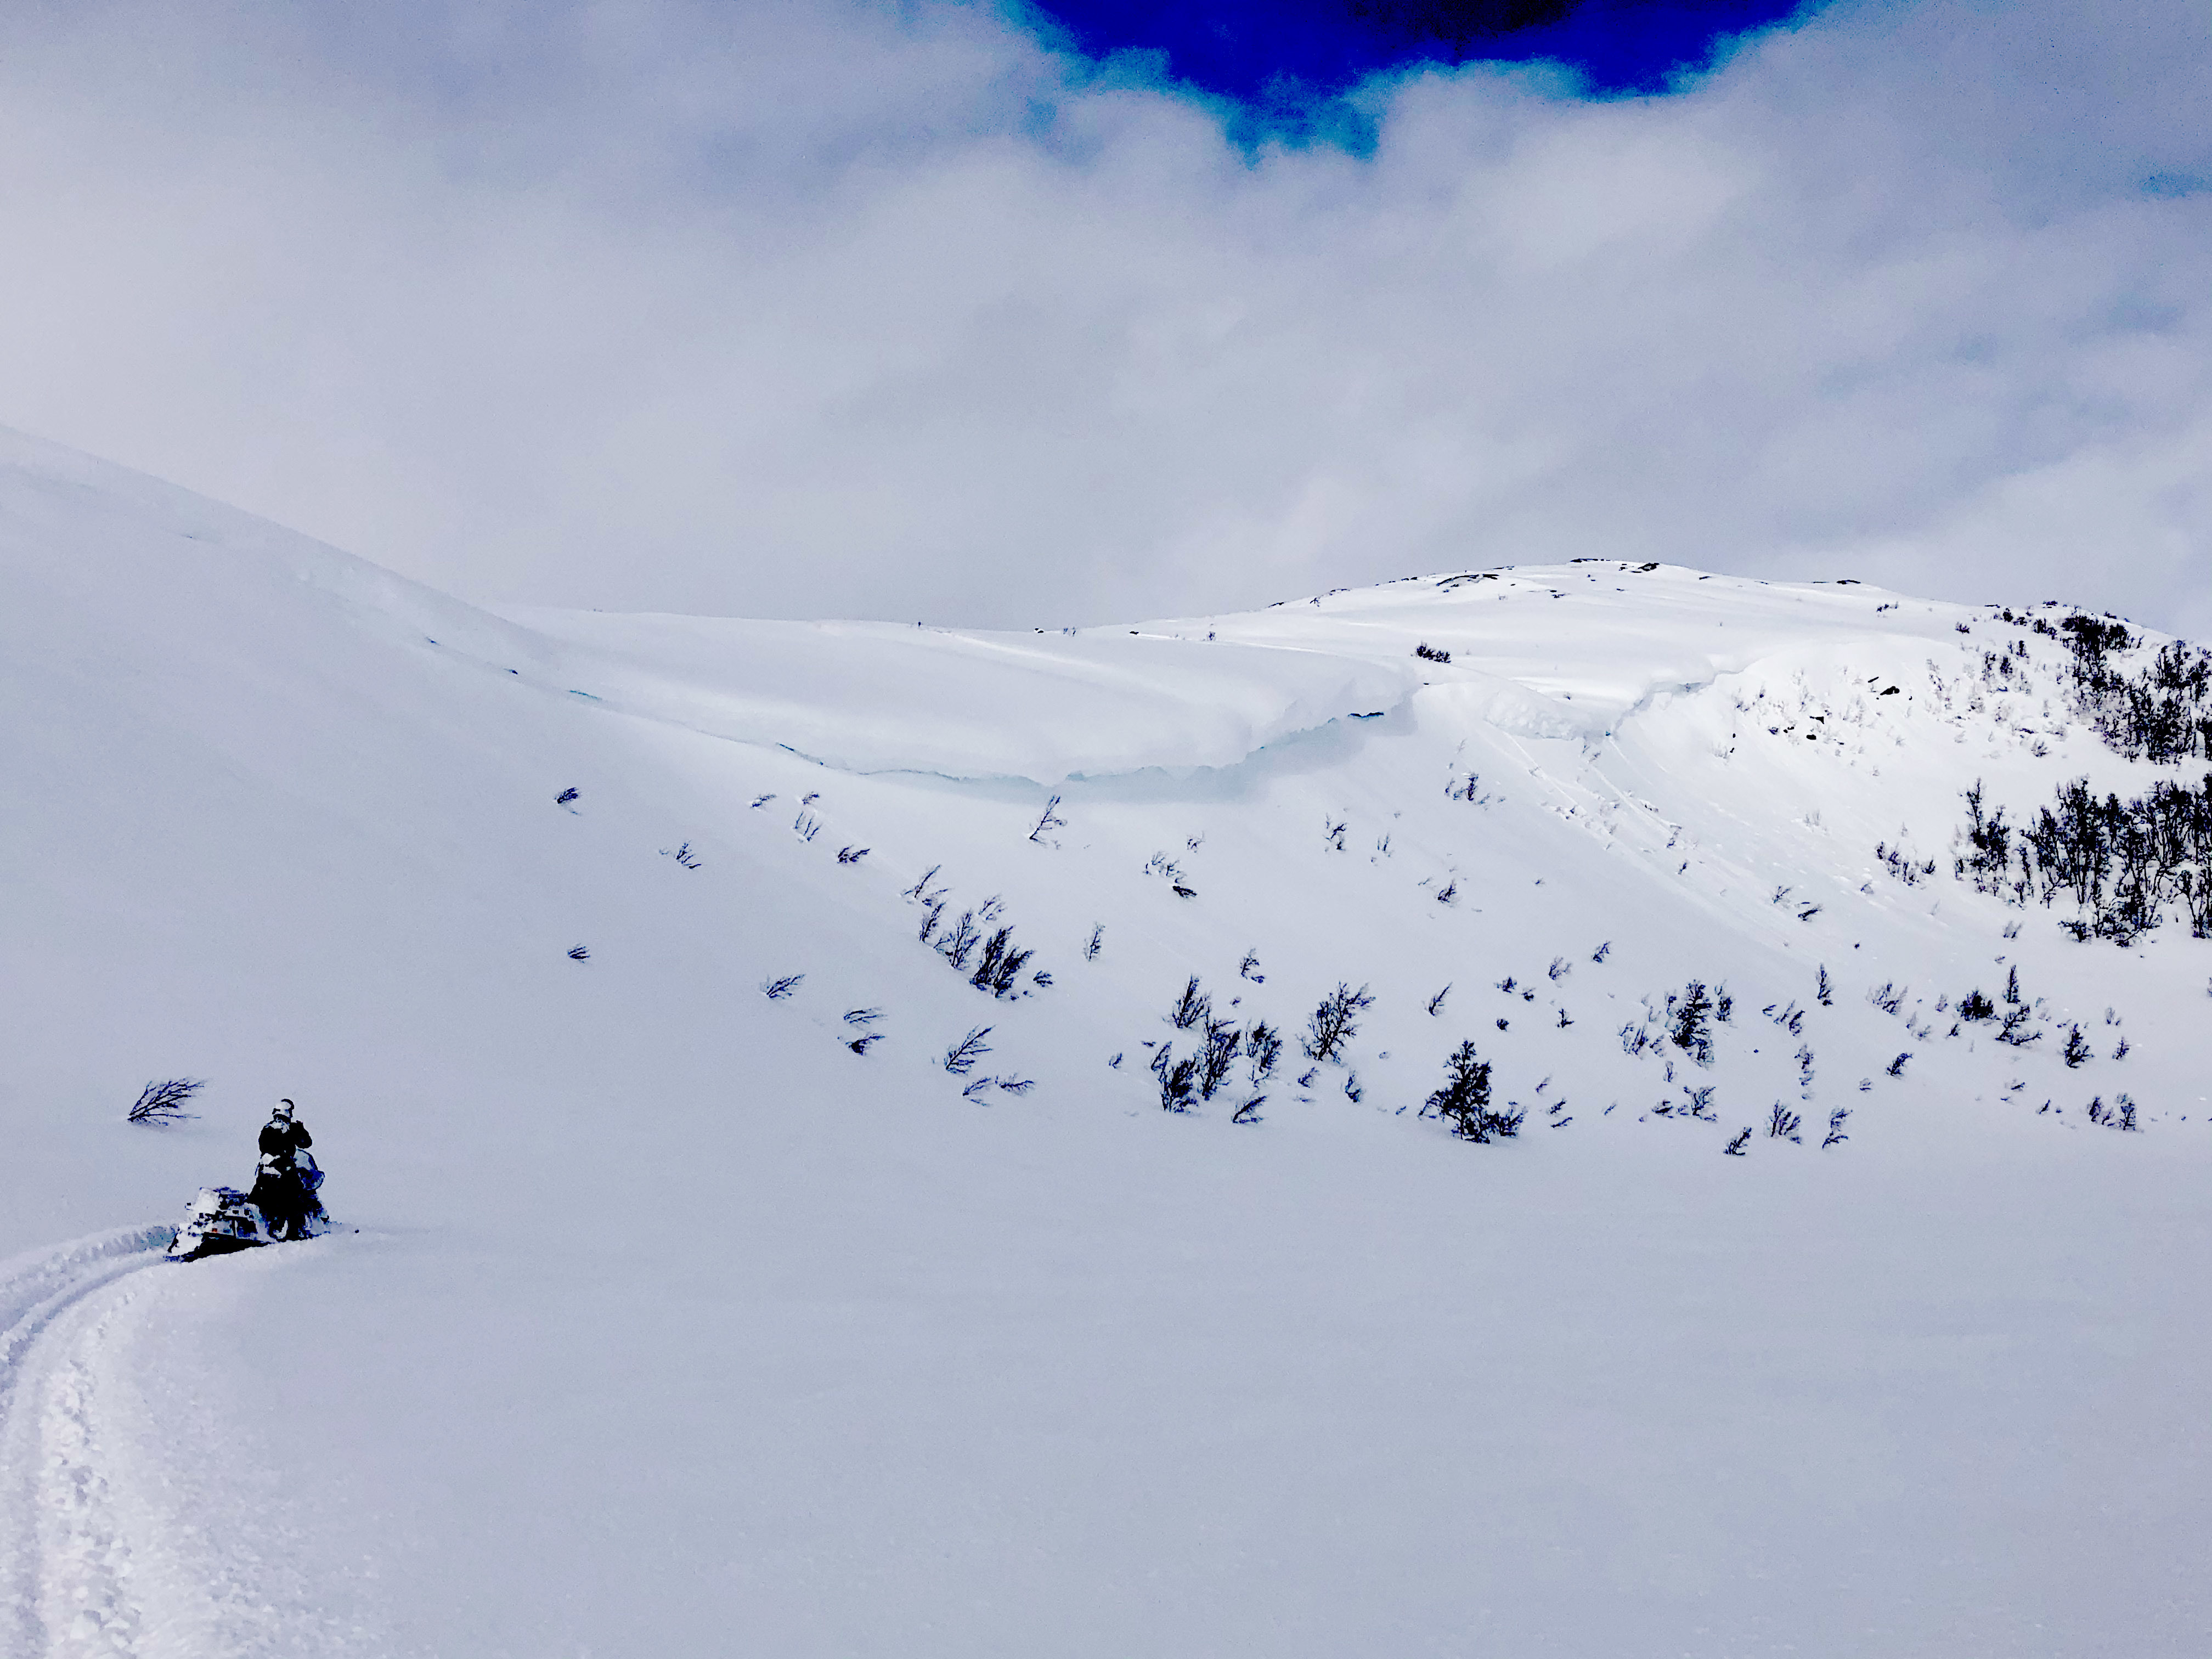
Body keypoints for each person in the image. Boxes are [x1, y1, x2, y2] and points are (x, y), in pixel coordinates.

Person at [250, 1098, 326, 1240]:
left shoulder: (267, 1128)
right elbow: (306, 1143)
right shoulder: (291, 1128)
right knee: (296, 1200)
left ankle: (263, 1226)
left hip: (265, 1171)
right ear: (288, 1112)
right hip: (285, 1171)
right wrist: (301, 1129)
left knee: (258, 1197)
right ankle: (294, 1234)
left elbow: (262, 1146)